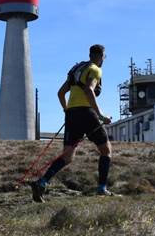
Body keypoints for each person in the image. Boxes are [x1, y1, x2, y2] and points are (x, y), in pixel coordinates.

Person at [31, 44, 113, 202]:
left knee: (67, 157)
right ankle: (102, 188)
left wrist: (67, 110)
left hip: (72, 115)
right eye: (104, 57)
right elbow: (89, 90)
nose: (104, 60)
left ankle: (42, 182)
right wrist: (101, 115)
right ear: (101, 56)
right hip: (87, 114)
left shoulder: (77, 70)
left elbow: (60, 93)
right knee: (106, 150)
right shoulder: (95, 69)